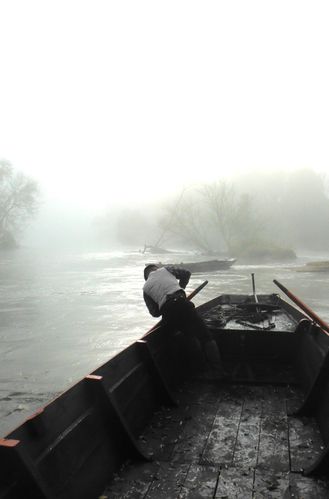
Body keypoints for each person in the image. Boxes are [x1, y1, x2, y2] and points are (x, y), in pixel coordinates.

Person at [143, 263, 225, 378]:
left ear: (146, 277)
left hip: (168, 312)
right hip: (183, 303)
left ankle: (199, 370)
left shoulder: (145, 288)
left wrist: (163, 299)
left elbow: (155, 313)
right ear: (156, 269)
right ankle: (218, 371)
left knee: (188, 336)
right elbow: (186, 273)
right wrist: (180, 289)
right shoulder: (166, 269)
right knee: (206, 337)